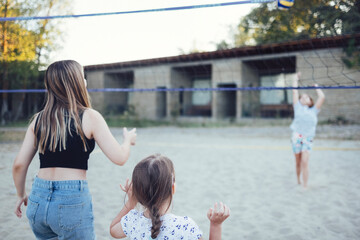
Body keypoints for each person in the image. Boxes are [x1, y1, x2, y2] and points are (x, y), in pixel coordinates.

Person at [12, 60, 137, 239]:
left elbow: (18, 165)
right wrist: (127, 141)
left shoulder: (39, 119)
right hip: (70, 200)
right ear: (78, 82)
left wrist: (20, 194)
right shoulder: (89, 116)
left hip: (37, 199)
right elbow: (120, 158)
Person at [110, 154, 230, 240]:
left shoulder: (132, 221)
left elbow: (113, 230)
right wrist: (215, 225)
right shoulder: (185, 226)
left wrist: (131, 202)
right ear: (172, 188)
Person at [290, 72, 325, 188]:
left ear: (310, 101)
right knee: (298, 162)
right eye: (302, 97)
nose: (304, 97)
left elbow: (322, 97)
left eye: (307, 97)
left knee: (305, 161)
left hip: (308, 138)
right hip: (297, 136)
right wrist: (295, 79)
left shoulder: (314, 110)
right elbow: (295, 91)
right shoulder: (297, 107)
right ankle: (298, 180)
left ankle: (305, 185)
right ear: (299, 100)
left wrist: (316, 86)